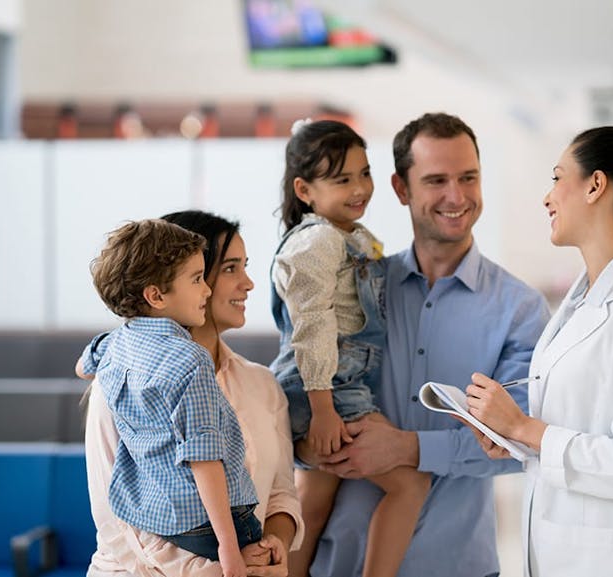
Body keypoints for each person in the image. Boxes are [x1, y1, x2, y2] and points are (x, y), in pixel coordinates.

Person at [306, 112, 551, 577]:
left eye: (468, 178)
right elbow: (306, 404)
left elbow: (521, 445)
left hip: (459, 565)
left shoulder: (520, 310)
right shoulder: (354, 288)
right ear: (401, 189)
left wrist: (408, 448)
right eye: (436, 180)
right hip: (341, 563)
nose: (456, 197)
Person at [463, 126, 613, 577]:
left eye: (558, 178)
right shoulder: (585, 299)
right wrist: (516, 440)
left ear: (595, 186)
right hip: (573, 552)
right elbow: (581, 425)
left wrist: (525, 427)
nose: (547, 197)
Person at [82, 211, 302, 577]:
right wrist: (216, 567)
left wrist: (273, 545)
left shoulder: (263, 384)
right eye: (230, 268)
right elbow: (117, 519)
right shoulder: (120, 378)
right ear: (160, 291)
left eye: (246, 267)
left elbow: (281, 494)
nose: (247, 283)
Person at [270, 119, 431, 577]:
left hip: (330, 390)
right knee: (411, 484)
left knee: (312, 505)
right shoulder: (317, 240)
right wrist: (324, 409)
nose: (360, 188)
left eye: (364, 173)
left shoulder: (348, 236)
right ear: (305, 189)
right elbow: (313, 325)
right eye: (342, 179)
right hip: (330, 392)